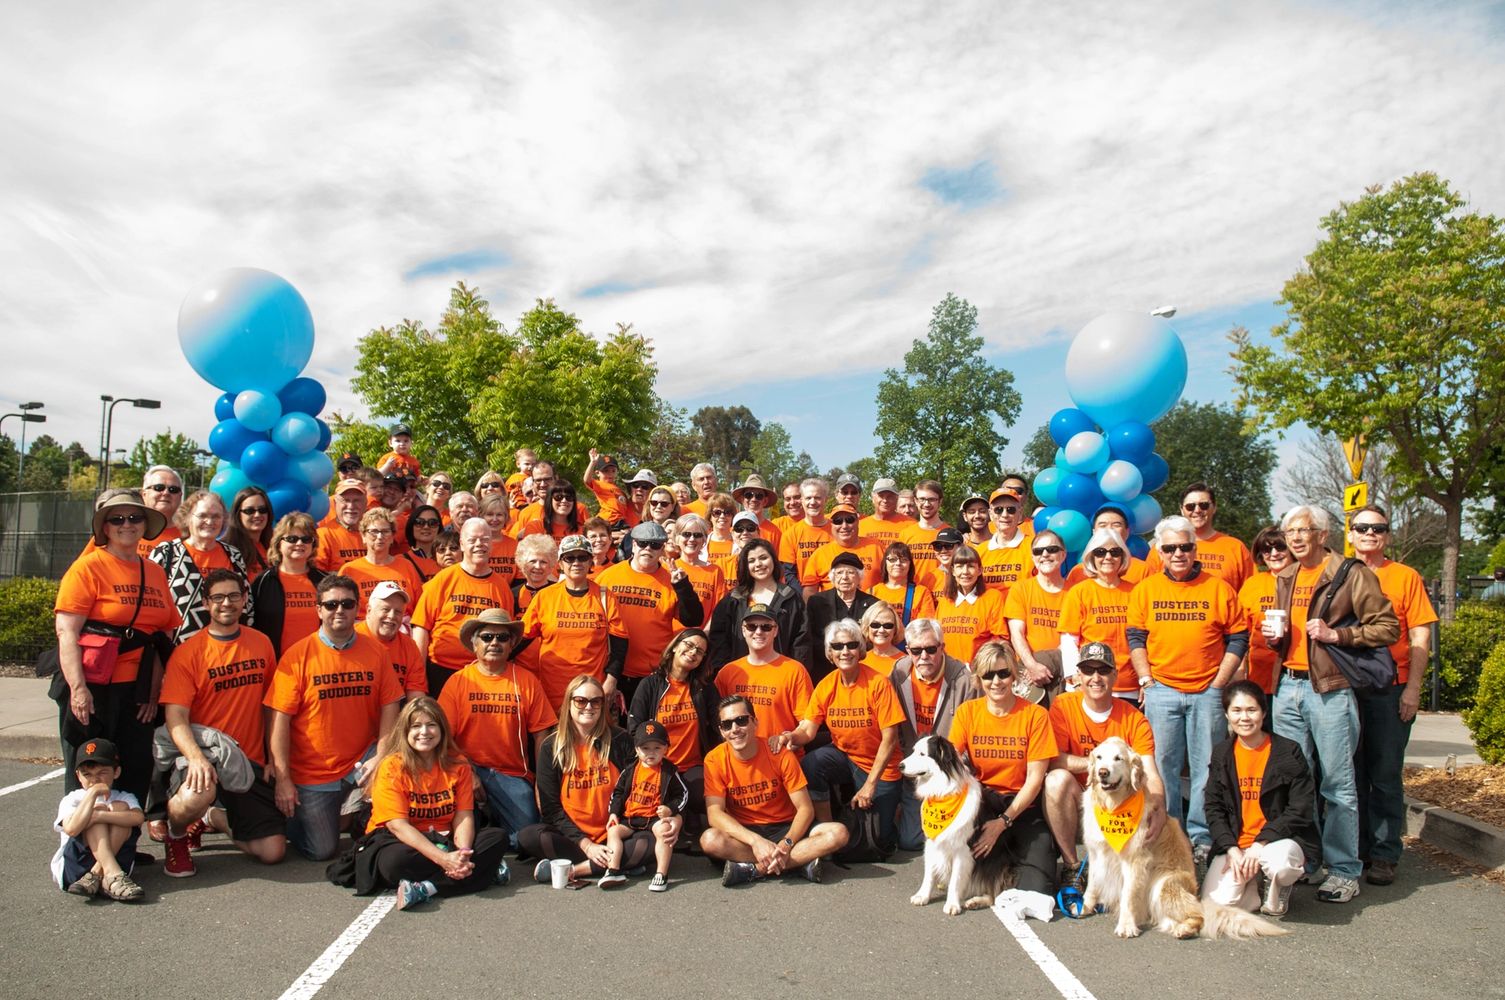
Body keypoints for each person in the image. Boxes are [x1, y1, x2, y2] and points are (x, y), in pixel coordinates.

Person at [1264, 504, 1398, 904]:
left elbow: (1387, 626)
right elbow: (1291, 636)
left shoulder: (1351, 574)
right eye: (1290, 533)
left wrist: (1338, 636)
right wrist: (1277, 637)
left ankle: (1344, 870)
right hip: (1287, 686)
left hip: (1331, 689)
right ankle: (1306, 859)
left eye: (1303, 531)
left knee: (1337, 784)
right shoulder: (1285, 575)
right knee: (1293, 782)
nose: (1296, 539)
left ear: (1323, 535)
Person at [1127, 515, 1248, 870]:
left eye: (1185, 547)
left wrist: (1219, 683)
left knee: (1206, 768)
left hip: (1207, 690)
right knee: (1161, 768)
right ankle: (1169, 833)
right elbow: (1136, 637)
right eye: (1170, 548)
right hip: (1162, 688)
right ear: (1159, 553)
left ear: (1195, 549)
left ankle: (1200, 837)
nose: (1178, 553)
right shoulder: (1146, 589)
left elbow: (1238, 637)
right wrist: (1146, 679)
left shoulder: (1219, 588)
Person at [157, 568, 287, 876]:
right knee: (196, 792)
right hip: (209, 759)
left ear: (244, 600)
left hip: (249, 761)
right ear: (205, 603)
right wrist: (196, 758)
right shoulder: (189, 653)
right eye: (218, 597)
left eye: (233, 596)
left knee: (273, 852)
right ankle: (176, 835)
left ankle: (213, 818)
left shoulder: (262, 643)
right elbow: (176, 716)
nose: (226, 603)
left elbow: (271, 707)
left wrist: (274, 760)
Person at [53, 489, 180, 804]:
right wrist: (78, 690)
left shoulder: (154, 571)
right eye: (117, 519)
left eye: (135, 517)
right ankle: (82, 848)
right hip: (94, 686)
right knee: (89, 767)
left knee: (136, 766)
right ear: (105, 527)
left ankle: (125, 848)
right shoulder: (87, 568)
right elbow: (67, 631)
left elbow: (158, 638)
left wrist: (152, 693)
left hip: (136, 692)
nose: (128, 524)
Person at [265, 574, 403, 860]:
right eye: (331, 605)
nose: (339, 610)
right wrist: (283, 779)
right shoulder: (297, 655)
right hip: (314, 771)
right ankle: (293, 818)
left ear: (358, 608)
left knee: (402, 763)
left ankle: (359, 817)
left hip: (362, 758)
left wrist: (382, 755)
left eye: (347, 603)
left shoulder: (376, 651)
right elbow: (280, 719)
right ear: (319, 610)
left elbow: (390, 706)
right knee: (322, 850)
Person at [1348, 504, 1439, 886]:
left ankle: (1384, 854)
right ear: (1350, 533)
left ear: (1387, 535)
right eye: (1362, 527)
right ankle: (1356, 848)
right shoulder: (1337, 573)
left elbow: (1420, 634)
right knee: (1348, 774)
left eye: (1378, 528)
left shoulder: (1404, 577)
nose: (1370, 533)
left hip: (1390, 688)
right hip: (1344, 688)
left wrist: (1413, 689)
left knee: (1384, 774)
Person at [358, 696, 510, 910]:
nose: (424, 732)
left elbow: (464, 816)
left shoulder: (458, 763)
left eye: (431, 725)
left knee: (497, 838)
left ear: (442, 729)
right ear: (405, 732)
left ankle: (428, 887)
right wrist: (443, 859)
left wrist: (461, 853)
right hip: (401, 842)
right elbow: (397, 826)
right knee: (393, 863)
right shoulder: (392, 766)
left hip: (446, 839)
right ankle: (482, 873)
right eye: (416, 726)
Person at [1043, 642, 1163, 895]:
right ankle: (1072, 867)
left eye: (1103, 670)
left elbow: (1150, 771)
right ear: (1078, 676)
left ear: (1115, 675)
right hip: (1079, 803)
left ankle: (1117, 875)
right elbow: (1054, 759)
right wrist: (1097, 764)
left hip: (1120, 808)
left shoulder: (1134, 718)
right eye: (1088, 670)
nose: (1095, 678)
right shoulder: (1063, 706)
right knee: (1055, 779)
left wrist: (1159, 806)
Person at [946, 641, 1059, 900]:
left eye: (1003, 673)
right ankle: (989, 885)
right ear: (978, 679)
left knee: (1039, 890)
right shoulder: (967, 712)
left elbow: (1034, 781)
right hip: (983, 802)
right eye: (988, 675)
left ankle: (1001, 885)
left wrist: (1003, 822)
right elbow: (951, 762)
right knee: (966, 866)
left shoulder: (1035, 715)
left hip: (1022, 806)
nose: (996, 681)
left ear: (1014, 675)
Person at [778, 620, 904, 851]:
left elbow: (890, 738)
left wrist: (870, 785)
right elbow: (807, 729)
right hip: (846, 757)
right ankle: (826, 827)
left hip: (881, 766)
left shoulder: (879, 683)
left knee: (879, 840)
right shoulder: (826, 685)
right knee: (812, 763)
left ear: (860, 649)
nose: (845, 651)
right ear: (829, 653)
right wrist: (790, 737)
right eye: (837, 646)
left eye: (851, 645)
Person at [437, 608, 556, 847]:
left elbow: (541, 737)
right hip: (465, 770)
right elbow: (442, 737)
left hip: (511, 775)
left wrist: (542, 785)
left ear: (512, 644)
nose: (494, 643)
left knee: (528, 838)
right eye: (487, 637)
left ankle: (491, 832)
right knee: (446, 833)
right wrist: (467, 772)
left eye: (502, 638)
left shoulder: (526, 680)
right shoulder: (457, 682)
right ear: (474, 643)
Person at [700, 695, 850, 885]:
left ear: (755, 722)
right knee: (710, 839)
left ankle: (755, 870)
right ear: (721, 731)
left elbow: (805, 809)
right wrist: (756, 841)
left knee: (838, 833)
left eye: (741, 720)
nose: (735, 729)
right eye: (727, 724)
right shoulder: (714, 759)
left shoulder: (780, 754)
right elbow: (714, 814)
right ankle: (798, 864)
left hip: (786, 827)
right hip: (746, 833)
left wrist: (786, 844)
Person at [1201, 681, 1318, 917]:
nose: (1244, 718)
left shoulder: (1288, 751)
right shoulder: (1222, 753)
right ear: (1226, 714)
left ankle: (1277, 886)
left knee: (1281, 865)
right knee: (1216, 906)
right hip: (1238, 843)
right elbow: (1213, 808)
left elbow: (1300, 808)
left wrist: (1260, 844)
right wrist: (1231, 849)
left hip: (1277, 841)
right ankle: (1253, 885)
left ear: (1264, 713)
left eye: (1251, 710)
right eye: (1236, 711)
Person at [521, 675, 647, 884]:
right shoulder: (551, 747)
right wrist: (586, 844)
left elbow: (635, 792)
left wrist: (619, 830)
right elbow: (551, 809)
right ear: (568, 702)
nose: (588, 707)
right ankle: (619, 863)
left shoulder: (620, 739)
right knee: (528, 836)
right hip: (574, 837)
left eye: (596, 701)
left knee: (648, 842)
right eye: (581, 701)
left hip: (614, 834)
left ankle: (575, 870)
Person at [887, 619, 980, 850]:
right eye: (916, 651)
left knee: (949, 837)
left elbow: (972, 734)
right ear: (908, 650)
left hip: (951, 771)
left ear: (942, 647)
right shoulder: (899, 672)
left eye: (930, 649)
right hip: (914, 768)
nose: (924, 656)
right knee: (910, 841)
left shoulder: (964, 680)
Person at [597, 521, 704, 704]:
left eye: (654, 545)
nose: (648, 548)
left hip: (654, 673)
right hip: (612, 672)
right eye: (642, 543)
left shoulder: (671, 579)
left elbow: (693, 619)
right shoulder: (607, 577)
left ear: (662, 548)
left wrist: (683, 587)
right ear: (633, 544)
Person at [411, 517, 516, 696]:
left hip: (483, 673)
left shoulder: (501, 587)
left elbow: (506, 637)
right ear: (461, 543)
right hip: (440, 670)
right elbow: (421, 627)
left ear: (491, 544)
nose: (479, 544)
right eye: (472, 539)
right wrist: (418, 679)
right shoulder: (443, 579)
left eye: (484, 539)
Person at [628, 629, 721, 822]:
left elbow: (718, 724)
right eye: (688, 645)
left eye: (700, 651)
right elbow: (634, 728)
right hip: (658, 765)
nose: (693, 652)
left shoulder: (705, 688)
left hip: (693, 765)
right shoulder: (650, 684)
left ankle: (690, 817)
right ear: (675, 647)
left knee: (702, 794)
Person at [521, 535, 622, 706]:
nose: (576, 563)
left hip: (591, 693)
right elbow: (522, 638)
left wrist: (611, 680)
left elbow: (620, 645)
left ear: (591, 562)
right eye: (570, 558)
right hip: (551, 693)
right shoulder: (545, 597)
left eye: (582, 557)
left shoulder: (605, 596)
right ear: (560, 564)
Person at [51, 738, 147, 901]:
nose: (94, 780)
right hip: (75, 869)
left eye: (102, 773)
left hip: (117, 862)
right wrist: (93, 795)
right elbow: (71, 828)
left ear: (116, 772)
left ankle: (98, 874)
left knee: (119, 809)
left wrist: (100, 816)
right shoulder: (72, 799)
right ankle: (112, 874)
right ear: (78, 777)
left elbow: (138, 818)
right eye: (87, 774)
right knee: (95, 809)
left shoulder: (124, 797)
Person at [599, 719, 689, 891]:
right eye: (645, 748)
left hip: (654, 817)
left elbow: (683, 794)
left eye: (657, 748)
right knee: (613, 831)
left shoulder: (669, 771)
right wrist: (613, 814)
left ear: (666, 748)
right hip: (631, 817)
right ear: (636, 749)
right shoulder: (630, 769)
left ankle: (661, 874)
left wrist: (671, 808)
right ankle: (613, 870)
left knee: (664, 831)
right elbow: (617, 793)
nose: (651, 753)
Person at [152, 489, 250, 643]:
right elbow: (151, 604)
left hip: (226, 649)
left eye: (216, 516)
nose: (210, 522)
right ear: (187, 518)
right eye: (203, 515)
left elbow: (246, 605)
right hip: (176, 649)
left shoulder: (234, 555)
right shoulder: (166, 553)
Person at [706, 537, 812, 670]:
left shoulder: (790, 597)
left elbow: (801, 642)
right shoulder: (733, 600)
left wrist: (797, 672)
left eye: (763, 558)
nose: (758, 564)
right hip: (741, 677)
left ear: (773, 559)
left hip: (781, 675)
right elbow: (719, 642)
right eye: (751, 560)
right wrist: (723, 673)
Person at [715, 603, 816, 740]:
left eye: (766, 627)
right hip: (739, 756)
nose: (758, 632)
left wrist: (791, 738)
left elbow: (807, 724)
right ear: (743, 631)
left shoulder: (795, 671)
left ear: (775, 631)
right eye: (751, 626)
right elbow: (716, 720)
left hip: (780, 755)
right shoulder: (728, 672)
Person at [1057, 527, 1137, 700]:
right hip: (1088, 685)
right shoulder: (1079, 592)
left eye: (1115, 552)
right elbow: (1069, 639)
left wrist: (1146, 679)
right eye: (1100, 552)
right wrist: (1074, 676)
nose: (1108, 557)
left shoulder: (1136, 592)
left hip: (1129, 686)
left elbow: (1145, 640)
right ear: (1092, 557)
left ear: (1123, 556)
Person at [1143, 483, 1255, 592]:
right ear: (1182, 510)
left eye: (1204, 505)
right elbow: (1149, 590)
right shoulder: (1163, 547)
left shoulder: (1235, 547)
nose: (1197, 510)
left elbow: (1251, 593)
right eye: (1190, 506)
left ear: (1214, 507)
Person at [1003, 529, 1071, 696]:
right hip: (1028, 675)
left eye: (1052, 549)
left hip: (1065, 673)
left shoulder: (1075, 592)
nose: (1045, 554)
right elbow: (1016, 633)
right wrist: (1032, 665)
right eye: (1038, 551)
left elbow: (1072, 637)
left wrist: (1050, 663)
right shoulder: (1020, 589)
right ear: (1033, 558)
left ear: (1063, 555)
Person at [250, 512, 326, 658]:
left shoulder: (325, 582)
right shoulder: (262, 582)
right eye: (292, 539)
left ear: (313, 544)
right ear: (279, 543)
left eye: (306, 539)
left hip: (318, 663)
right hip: (276, 663)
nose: (299, 544)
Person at [804, 552, 879, 678]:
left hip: (862, 669)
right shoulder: (816, 601)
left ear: (859, 577)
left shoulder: (872, 604)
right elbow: (810, 638)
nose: (844, 577)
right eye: (839, 572)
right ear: (832, 577)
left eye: (850, 572)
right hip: (824, 669)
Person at [1236, 526, 1292, 694]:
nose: (1274, 554)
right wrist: (1238, 671)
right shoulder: (1253, 585)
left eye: (1280, 547)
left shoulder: (1306, 579)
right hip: (1260, 675)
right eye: (1267, 549)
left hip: (1297, 675)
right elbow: (1240, 632)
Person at [339, 508, 423, 616]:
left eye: (385, 531)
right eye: (374, 531)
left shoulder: (406, 566)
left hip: (402, 627)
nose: (380, 537)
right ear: (363, 536)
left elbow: (420, 608)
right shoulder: (349, 570)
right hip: (362, 628)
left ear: (393, 537)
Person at [936, 544, 1009, 666]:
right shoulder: (945, 600)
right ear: (953, 571)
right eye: (959, 567)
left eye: (971, 566)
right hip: (947, 671)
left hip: (979, 671)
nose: (965, 572)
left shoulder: (992, 597)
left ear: (979, 570)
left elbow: (1000, 641)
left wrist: (979, 665)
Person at [355, 581, 428, 700]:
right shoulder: (351, 639)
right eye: (385, 609)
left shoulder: (409, 646)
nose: (392, 615)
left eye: (398, 611)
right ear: (369, 610)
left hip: (395, 712)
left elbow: (416, 694)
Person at [801, 503, 883, 595]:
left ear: (858, 522)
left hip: (871, 607)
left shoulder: (876, 547)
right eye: (838, 521)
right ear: (831, 525)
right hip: (832, 608)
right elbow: (809, 590)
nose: (844, 526)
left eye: (849, 520)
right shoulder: (820, 554)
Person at [1064, 504, 1151, 586]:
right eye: (1103, 525)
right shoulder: (1078, 572)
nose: (1109, 529)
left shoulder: (1143, 570)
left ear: (1127, 532)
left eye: (1116, 525)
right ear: (1094, 532)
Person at [979, 487, 1033, 600]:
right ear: (991, 513)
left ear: (1020, 512)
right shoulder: (979, 551)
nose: (1004, 515)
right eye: (998, 510)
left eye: (1011, 509)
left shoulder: (1034, 547)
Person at [871, 541, 938, 631]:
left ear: (910, 565)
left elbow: (925, 629)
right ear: (885, 563)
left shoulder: (921, 593)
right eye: (892, 559)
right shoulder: (871, 592)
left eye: (903, 560)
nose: (898, 563)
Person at [777, 477, 833, 584]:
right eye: (808, 498)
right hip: (804, 595)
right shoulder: (790, 535)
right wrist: (805, 597)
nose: (812, 502)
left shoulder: (838, 530)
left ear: (826, 499)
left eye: (817, 498)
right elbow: (789, 574)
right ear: (802, 500)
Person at [675, 513, 728, 622]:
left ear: (704, 540)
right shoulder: (667, 568)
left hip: (703, 635)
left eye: (697, 535)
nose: (692, 539)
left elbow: (719, 610)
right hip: (671, 637)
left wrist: (705, 634)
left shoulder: (714, 571)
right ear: (677, 538)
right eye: (686, 534)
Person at [898, 479, 949, 580]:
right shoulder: (905, 534)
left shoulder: (950, 534)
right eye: (922, 499)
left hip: (942, 592)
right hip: (912, 592)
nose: (926, 504)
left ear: (940, 501)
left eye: (931, 499)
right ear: (916, 501)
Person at [316, 479, 370, 573]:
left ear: (365, 504)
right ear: (335, 503)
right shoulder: (324, 535)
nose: (351, 506)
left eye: (357, 500)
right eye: (345, 500)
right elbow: (317, 576)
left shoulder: (375, 533)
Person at [224, 486, 273, 582]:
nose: (257, 515)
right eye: (249, 511)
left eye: (262, 510)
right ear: (238, 514)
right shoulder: (227, 549)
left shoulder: (273, 547)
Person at [582, 450, 638, 530]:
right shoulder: (599, 484)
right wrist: (593, 462)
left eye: (613, 471)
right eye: (606, 471)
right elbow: (587, 480)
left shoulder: (619, 490)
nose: (610, 474)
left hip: (620, 521)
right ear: (597, 473)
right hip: (608, 520)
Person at [857, 477, 913, 549]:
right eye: (881, 496)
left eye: (890, 496)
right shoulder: (860, 526)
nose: (885, 500)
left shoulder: (911, 525)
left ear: (896, 498)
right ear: (872, 498)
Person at [731, 474, 783, 549]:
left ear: (765, 501)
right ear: (742, 500)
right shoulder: (734, 530)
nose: (753, 499)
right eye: (748, 495)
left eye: (759, 496)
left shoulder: (775, 532)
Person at [400, 504, 444, 583]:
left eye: (432, 523)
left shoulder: (449, 559)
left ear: (439, 527)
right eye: (419, 522)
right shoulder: (400, 561)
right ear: (411, 526)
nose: (426, 527)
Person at [479, 496, 520, 579]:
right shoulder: (476, 544)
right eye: (490, 514)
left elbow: (520, 579)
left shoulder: (515, 546)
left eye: (499, 515)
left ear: (506, 517)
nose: (494, 519)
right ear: (481, 516)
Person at [859, 601, 904, 674]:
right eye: (875, 625)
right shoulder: (860, 660)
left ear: (895, 629)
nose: (881, 630)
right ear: (867, 627)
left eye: (888, 626)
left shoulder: (906, 662)